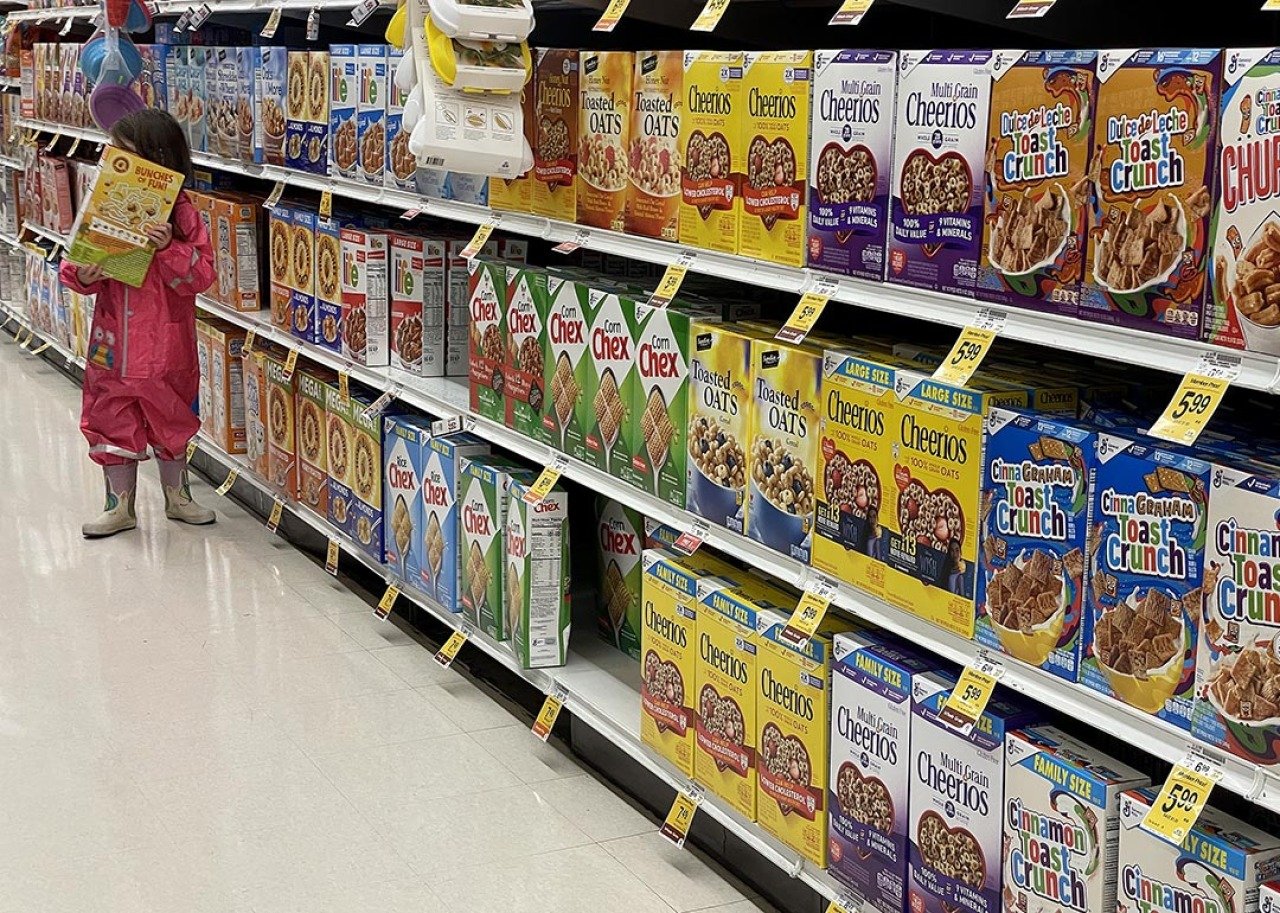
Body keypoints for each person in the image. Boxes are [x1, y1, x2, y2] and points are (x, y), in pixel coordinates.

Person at [59, 108, 216, 538]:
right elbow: (73, 261)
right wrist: (82, 273)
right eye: (112, 155)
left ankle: (177, 496)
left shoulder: (182, 213)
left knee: (172, 414)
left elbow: (203, 274)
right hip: (113, 342)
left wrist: (168, 249)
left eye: (124, 156)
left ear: (157, 162)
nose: (115, 164)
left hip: (167, 344)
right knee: (110, 413)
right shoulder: (103, 203)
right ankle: (118, 505)